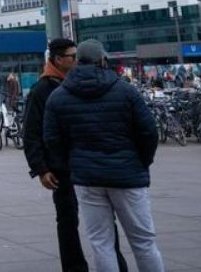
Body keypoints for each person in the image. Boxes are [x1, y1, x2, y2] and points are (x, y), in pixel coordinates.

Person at [44, 39, 163, 272]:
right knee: (143, 242)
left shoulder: (59, 96)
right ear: (102, 59)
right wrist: (141, 161)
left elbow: (51, 139)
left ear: (78, 60)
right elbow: (149, 132)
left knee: (101, 243)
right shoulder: (126, 91)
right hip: (127, 175)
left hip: (87, 178)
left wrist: (72, 164)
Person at [24, 38, 128, 272]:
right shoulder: (42, 90)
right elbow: (31, 133)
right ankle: (74, 267)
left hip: (89, 163)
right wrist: (41, 168)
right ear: (59, 59)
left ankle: (117, 265)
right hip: (61, 168)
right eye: (73, 56)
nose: (77, 60)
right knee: (68, 220)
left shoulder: (82, 83)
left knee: (104, 221)